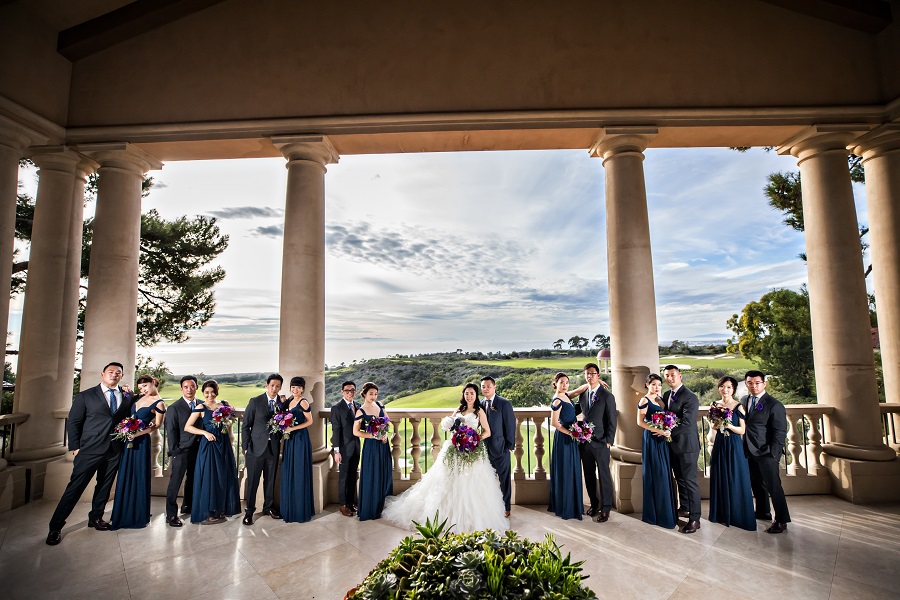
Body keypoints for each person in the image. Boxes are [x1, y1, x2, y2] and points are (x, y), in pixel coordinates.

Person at [383, 383, 508, 532]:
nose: (469, 396)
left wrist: (474, 439)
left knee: (471, 484)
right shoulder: (459, 409)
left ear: (476, 395)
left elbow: (487, 431)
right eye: (466, 393)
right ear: (463, 395)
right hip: (454, 448)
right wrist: (457, 436)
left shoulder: (479, 411)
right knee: (446, 481)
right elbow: (449, 426)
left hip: (472, 450)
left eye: (472, 393)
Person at [47, 362, 136, 545]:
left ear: (121, 376)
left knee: (104, 487)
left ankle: (95, 518)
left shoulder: (127, 396)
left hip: (114, 450)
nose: (114, 375)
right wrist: (76, 447)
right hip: (89, 449)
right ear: (102, 374)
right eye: (110, 372)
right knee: (74, 488)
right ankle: (55, 527)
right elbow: (73, 422)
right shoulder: (86, 396)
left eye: (118, 372)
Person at [110, 375, 166, 529]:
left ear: (154, 383)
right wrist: (126, 391)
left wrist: (137, 434)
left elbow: (157, 425)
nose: (143, 390)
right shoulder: (138, 397)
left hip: (140, 442)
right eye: (140, 388)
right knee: (126, 474)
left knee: (138, 475)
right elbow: (125, 399)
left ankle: (137, 513)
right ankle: (122, 512)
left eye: (146, 386)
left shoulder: (159, 403)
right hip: (128, 439)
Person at [185, 380, 241, 524]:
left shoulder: (224, 405)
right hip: (209, 444)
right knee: (210, 477)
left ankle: (221, 508)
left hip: (224, 444)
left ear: (217, 392)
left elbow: (231, 419)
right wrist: (204, 433)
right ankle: (210, 511)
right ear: (203, 393)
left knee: (223, 476)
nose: (210, 395)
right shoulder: (200, 407)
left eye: (212, 392)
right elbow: (188, 427)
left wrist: (227, 421)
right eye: (206, 392)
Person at [742, 370, 791, 534]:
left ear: (764, 384)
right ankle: (763, 511)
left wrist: (774, 453)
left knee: (773, 486)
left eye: (757, 383)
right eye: (750, 383)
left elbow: (780, 432)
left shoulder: (774, 404)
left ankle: (782, 519)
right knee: (757, 484)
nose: (753, 386)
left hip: (767, 452)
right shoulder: (745, 400)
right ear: (746, 384)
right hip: (749, 450)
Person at [708, 376, 756, 531]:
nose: (725, 390)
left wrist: (727, 425)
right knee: (720, 475)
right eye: (722, 386)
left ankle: (737, 514)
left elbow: (742, 430)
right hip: (720, 443)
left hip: (734, 444)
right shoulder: (714, 405)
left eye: (729, 387)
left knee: (736, 477)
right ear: (719, 388)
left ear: (734, 389)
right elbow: (713, 427)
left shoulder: (739, 406)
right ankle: (720, 513)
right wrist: (718, 424)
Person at [571, 363, 617, 522]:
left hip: (602, 442)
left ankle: (606, 509)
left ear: (598, 375)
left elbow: (612, 420)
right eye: (587, 374)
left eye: (592, 373)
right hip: (585, 443)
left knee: (604, 475)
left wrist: (609, 440)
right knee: (589, 475)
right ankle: (594, 504)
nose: (589, 376)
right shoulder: (582, 395)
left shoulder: (607, 396)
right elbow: (573, 409)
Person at [242, 373, 285, 525]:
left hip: (272, 449)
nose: (274, 388)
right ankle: (249, 512)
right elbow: (246, 426)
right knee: (253, 482)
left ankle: (268, 507)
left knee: (270, 480)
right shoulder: (255, 402)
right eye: (272, 385)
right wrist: (245, 447)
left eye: (278, 386)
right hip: (255, 449)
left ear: (280, 387)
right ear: (267, 385)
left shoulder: (282, 404)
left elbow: (283, 425)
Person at [663, 364, 701, 534]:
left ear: (680, 376)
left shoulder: (690, 397)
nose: (670, 378)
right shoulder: (666, 395)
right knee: (679, 479)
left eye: (673, 375)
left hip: (687, 446)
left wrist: (666, 431)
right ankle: (684, 507)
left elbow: (687, 422)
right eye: (667, 376)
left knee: (690, 482)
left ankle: (695, 519)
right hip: (673, 445)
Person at [637, 373, 677, 529]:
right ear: (647, 385)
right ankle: (654, 514)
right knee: (656, 473)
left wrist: (667, 429)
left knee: (664, 473)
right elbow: (639, 422)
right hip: (652, 439)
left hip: (662, 439)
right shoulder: (644, 400)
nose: (657, 387)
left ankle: (666, 512)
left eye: (659, 385)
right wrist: (658, 430)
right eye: (653, 384)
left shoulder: (660, 399)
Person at [164, 375, 202, 527]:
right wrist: (175, 451)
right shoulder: (174, 407)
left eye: (192, 386)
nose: (189, 389)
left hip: (198, 449)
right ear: (181, 389)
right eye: (186, 387)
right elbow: (171, 431)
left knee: (192, 479)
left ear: (196, 387)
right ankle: (171, 514)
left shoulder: (201, 404)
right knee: (175, 482)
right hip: (182, 450)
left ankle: (188, 505)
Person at [353, 382, 393, 521]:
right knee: (372, 474)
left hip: (383, 444)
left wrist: (385, 431)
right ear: (364, 394)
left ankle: (383, 508)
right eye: (371, 394)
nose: (374, 396)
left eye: (376, 394)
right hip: (371, 447)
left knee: (384, 472)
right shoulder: (361, 411)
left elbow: (388, 422)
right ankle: (371, 509)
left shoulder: (380, 405)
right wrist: (373, 435)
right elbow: (355, 431)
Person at [548, 373, 583, 520]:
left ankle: (573, 504)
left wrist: (594, 382)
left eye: (567, 382)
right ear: (555, 383)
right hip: (564, 438)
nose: (565, 385)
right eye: (561, 382)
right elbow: (554, 423)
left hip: (571, 437)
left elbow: (579, 390)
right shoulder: (557, 401)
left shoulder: (567, 396)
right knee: (566, 470)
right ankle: (566, 506)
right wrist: (570, 433)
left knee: (572, 469)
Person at [480, 375, 516, 518]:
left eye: (488, 386)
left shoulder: (504, 403)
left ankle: (506, 507)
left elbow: (510, 425)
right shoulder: (480, 404)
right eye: (483, 386)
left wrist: (509, 446)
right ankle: (489, 507)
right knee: (486, 480)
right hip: (484, 450)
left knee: (504, 480)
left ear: (494, 387)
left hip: (501, 448)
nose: (486, 389)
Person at [280, 376, 314, 523]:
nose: (295, 390)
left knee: (299, 470)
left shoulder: (303, 402)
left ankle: (300, 510)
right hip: (290, 440)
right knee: (290, 470)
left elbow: (310, 421)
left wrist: (292, 428)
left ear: (303, 389)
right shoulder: (288, 401)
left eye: (298, 387)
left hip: (300, 439)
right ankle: (290, 507)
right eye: (293, 387)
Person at [331, 380, 361, 517]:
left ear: (355, 391)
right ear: (342, 392)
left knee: (353, 475)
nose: (350, 393)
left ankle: (350, 502)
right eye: (347, 391)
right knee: (343, 476)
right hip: (343, 448)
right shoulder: (337, 408)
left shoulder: (358, 406)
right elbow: (336, 430)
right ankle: (343, 505)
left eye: (352, 390)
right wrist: (336, 451)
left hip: (356, 447)